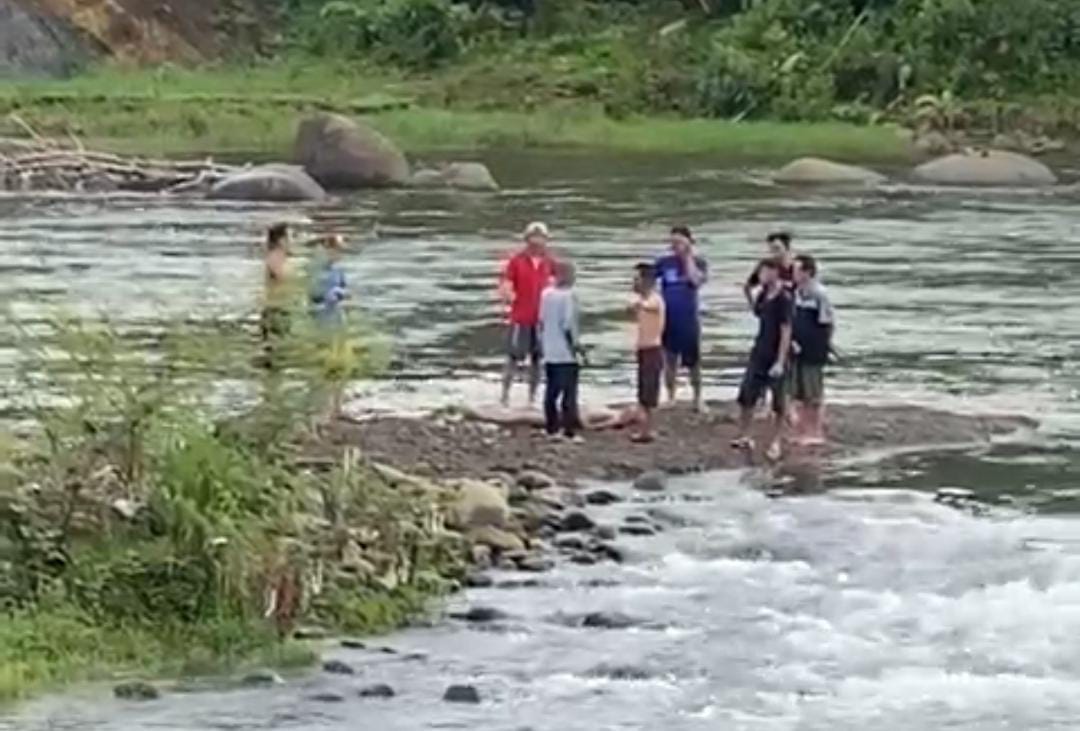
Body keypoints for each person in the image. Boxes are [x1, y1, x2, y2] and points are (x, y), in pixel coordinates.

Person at [733, 258, 792, 460]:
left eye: (765, 271)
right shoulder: (764, 295)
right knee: (747, 394)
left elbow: (786, 330)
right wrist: (748, 293)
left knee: (778, 401)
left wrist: (780, 360)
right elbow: (759, 314)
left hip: (776, 353)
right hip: (760, 349)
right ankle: (745, 435)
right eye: (760, 272)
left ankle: (776, 441)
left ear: (775, 272)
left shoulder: (784, 297)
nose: (761, 276)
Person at [499, 222, 555, 407]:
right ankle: (504, 396)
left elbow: (556, 284)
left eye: (541, 237)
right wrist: (508, 296)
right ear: (527, 239)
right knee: (513, 357)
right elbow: (506, 283)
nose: (537, 241)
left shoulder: (550, 261)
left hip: (541, 319)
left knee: (537, 359)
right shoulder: (516, 261)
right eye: (534, 236)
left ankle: (532, 398)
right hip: (521, 317)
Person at [655, 225, 708, 411]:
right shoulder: (663, 262)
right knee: (669, 359)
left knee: (693, 361)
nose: (675, 245)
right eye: (673, 242)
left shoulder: (698, 262)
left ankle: (698, 397)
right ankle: (670, 396)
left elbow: (696, 281)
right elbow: (649, 284)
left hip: (688, 318)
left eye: (679, 242)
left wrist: (687, 258)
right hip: (668, 317)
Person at [791, 254, 834, 445]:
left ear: (807, 272)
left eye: (797, 270)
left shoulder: (819, 294)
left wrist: (825, 347)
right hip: (796, 348)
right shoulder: (796, 293)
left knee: (813, 394)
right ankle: (802, 431)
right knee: (798, 393)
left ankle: (815, 432)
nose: (794, 273)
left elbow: (827, 323)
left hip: (813, 349)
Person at [538, 260, 583, 441]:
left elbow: (541, 321)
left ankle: (551, 428)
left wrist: (541, 344)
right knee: (569, 394)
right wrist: (576, 348)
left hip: (550, 350)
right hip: (566, 354)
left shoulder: (546, 294)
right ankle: (568, 432)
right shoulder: (569, 296)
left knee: (551, 391)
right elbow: (568, 325)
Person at [630, 262, 665, 443]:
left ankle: (648, 430)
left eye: (637, 279)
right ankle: (645, 429)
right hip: (644, 349)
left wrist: (639, 303)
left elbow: (649, 305)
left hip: (653, 349)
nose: (634, 283)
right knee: (643, 390)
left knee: (649, 392)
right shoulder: (645, 300)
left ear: (647, 281)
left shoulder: (655, 299)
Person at [260, 222, 292, 366]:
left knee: (276, 349)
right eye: (289, 237)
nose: (291, 241)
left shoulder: (278, 257)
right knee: (276, 350)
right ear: (280, 240)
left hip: (277, 306)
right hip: (275, 308)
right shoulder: (276, 258)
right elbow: (283, 280)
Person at [743, 230, 795, 307]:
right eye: (771, 249)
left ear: (787, 248)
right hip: (769, 307)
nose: (773, 252)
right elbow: (747, 287)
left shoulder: (797, 266)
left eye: (777, 248)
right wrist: (753, 306)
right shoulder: (765, 266)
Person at [310, 234, 348, 329]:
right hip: (322, 313)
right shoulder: (318, 271)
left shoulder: (339, 270)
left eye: (341, 251)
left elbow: (344, 287)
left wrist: (342, 293)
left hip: (336, 311)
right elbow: (313, 295)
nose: (341, 254)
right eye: (338, 250)